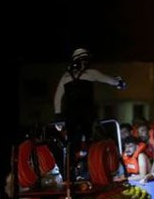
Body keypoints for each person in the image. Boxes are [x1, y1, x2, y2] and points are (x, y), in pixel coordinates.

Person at [52, 48, 127, 180]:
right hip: (87, 115)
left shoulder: (65, 77)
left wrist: (58, 116)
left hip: (71, 116)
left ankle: (70, 176)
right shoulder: (90, 73)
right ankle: (92, 172)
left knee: (71, 146)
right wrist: (119, 83)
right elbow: (108, 80)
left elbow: (57, 98)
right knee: (92, 143)